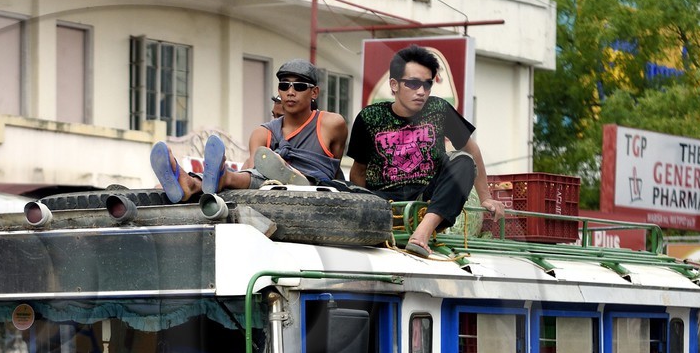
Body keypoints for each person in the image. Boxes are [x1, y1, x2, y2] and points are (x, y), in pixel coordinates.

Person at [348, 45, 506, 257]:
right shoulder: (369, 117)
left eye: (427, 84)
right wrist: (366, 210)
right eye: (413, 84)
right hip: (384, 199)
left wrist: (486, 197)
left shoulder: (438, 109)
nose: (421, 91)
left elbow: (472, 150)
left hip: (427, 198)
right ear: (394, 85)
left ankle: (423, 232)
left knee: (464, 161)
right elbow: (358, 171)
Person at [149, 58, 349, 202]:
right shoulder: (264, 132)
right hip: (270, 186)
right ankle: (190, 183)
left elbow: (333, 167)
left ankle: (221, 177)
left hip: (315, 188)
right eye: (284, 85)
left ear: (314, 92)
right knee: (258, 175)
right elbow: (254, 170)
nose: (290, 92)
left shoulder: (331, 124)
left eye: (299, 86)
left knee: (262, 175)